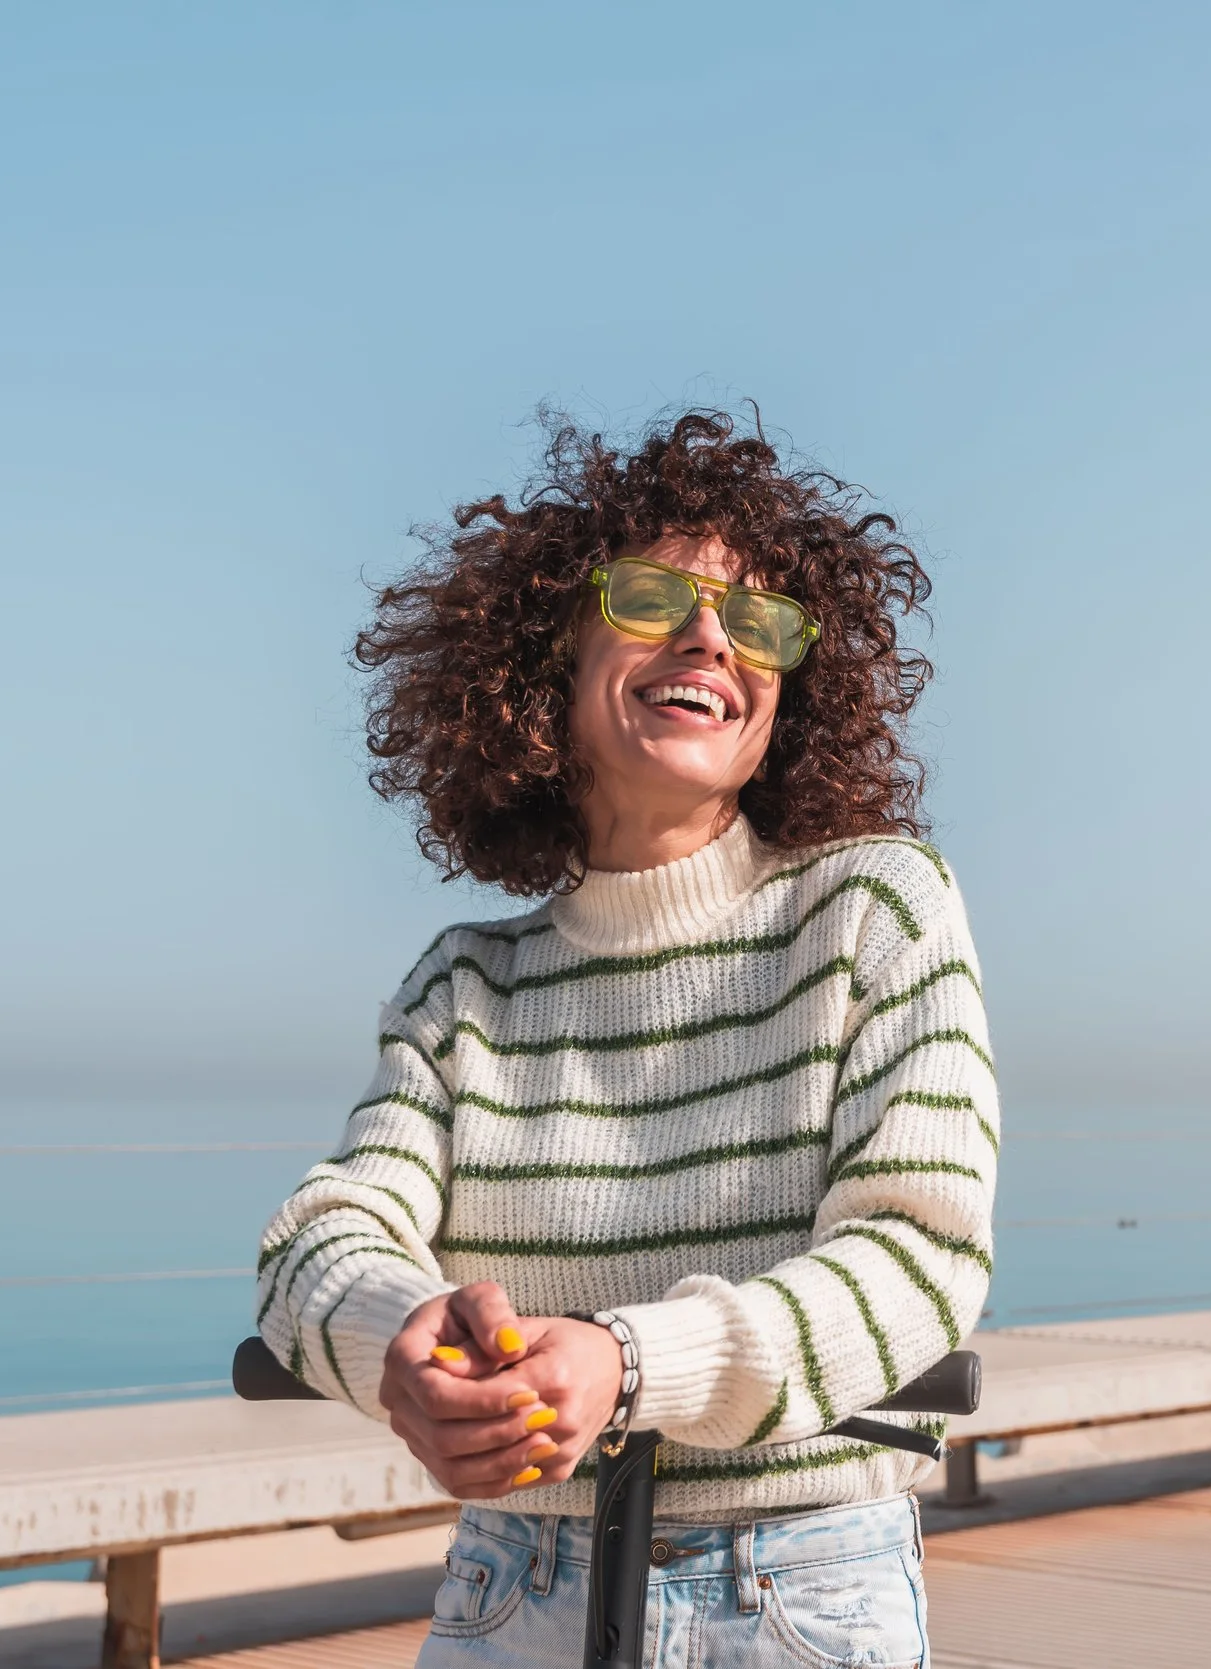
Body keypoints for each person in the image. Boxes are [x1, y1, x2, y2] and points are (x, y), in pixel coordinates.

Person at [254, 411, 996, 1667]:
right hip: (510, 1583)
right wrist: (405, 1346)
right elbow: (316, 1244)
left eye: (758, 622)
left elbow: (920, 1257)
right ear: (552, 652)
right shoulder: (465, 985)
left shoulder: (877, 907)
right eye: (656, 597)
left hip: (796, 1588)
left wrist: (629, 1360)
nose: (711, 635)